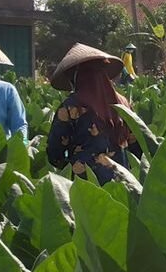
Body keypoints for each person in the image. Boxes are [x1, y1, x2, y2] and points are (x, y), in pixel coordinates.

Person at [47, 43, 141, 185]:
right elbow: (137, 147)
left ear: (76, 78)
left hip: (86, 187)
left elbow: (55, 153)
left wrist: (68, 165)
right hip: (123, 183)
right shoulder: (123, 103)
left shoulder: (71, 106)